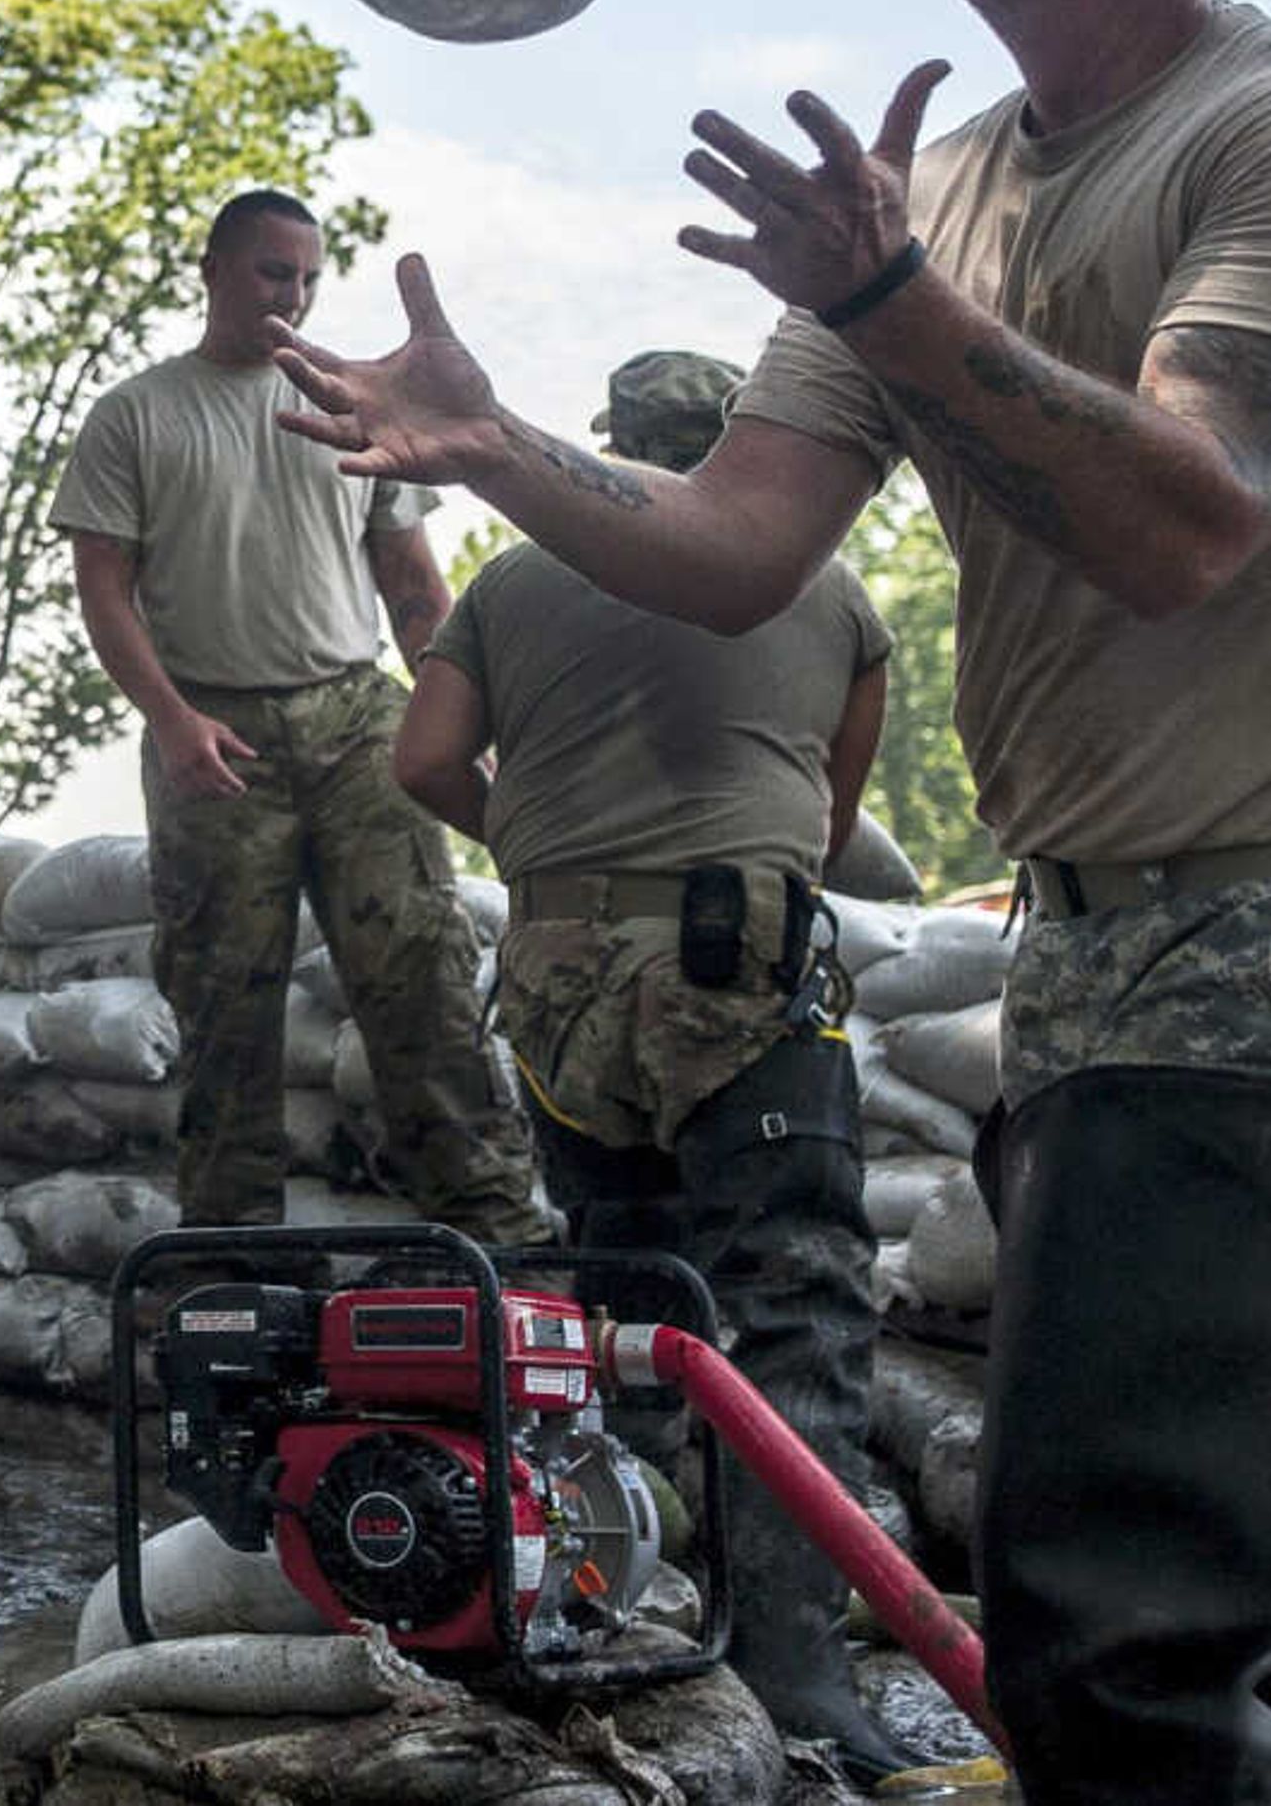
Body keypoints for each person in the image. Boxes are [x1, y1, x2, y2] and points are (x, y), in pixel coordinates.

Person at [273, 0, 1271, 1804]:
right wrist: (494, 448)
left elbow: (1195, 515)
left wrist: (895, 306)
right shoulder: (922, 197)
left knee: (1114, 1640)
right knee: (1270, 1603)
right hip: (1110, 947)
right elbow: (728, 544)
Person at [391, 348, 906, 1775]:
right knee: (789, 1310)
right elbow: (825, 809)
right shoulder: (827, 586)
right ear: (739, 443)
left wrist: (541, 848)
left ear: (610, 441)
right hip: (732, 972)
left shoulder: (506, 582)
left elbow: (423, 762)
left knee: (614, 1304)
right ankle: (795, 1677)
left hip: (559, 982)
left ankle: (613, 1624)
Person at [51, 190, 550, 1248]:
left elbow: (414, 583)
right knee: (225, 1002)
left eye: (310, 275)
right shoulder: (140, 412)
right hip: (214, 733)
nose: (295, 293)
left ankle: (495, 1239)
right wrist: (172, 718)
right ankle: (232, 1257)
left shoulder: (345, 402)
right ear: (216, 269)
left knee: (422, 973)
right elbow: (104, 590)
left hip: (358, 717)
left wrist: (469, 717)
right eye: (274, 271)